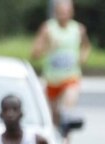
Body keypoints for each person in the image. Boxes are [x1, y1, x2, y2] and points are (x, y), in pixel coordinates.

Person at [31, 0, 89, 130]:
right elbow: (35, 54)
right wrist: (47, 47)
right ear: (55, 13)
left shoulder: (78, 29)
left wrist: (83, 58)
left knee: (66, 111)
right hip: (52, 79)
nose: (63, 15)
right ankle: (56, 138)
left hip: (71, 77)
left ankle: (66, 141)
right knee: (53, 116)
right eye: (60, 12)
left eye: (66, 12)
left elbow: (86, 46)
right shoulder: (47, 28)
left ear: (72, 12)